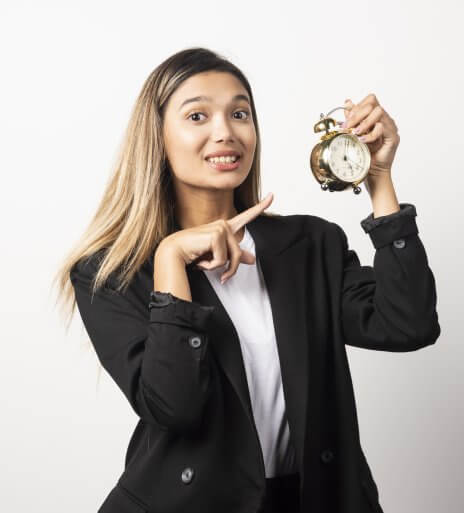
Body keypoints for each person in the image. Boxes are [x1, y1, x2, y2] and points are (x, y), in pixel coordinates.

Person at [54, 47, 440, 513]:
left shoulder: (310, 244)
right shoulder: (111, 272)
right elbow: (175, 408)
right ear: (157, 138)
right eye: (197, 115)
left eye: (240, 113)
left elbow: (407, 324)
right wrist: (170, 257)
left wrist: (379, 180)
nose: (225, 132)